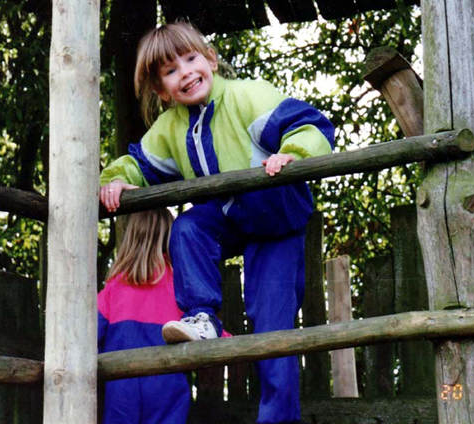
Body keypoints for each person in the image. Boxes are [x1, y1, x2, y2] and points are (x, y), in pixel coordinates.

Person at [99, 22, 334, 424]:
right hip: (228, 215)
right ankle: (203, 316)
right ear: (161, 90)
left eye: (191, 59)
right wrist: (115, 179)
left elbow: (311, 125)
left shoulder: (248, 96)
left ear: (210, 60)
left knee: (272, 326)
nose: (185, 72)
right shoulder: (171, 127)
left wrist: (292, 153)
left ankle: (278, 420)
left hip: (276, 217)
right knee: (188, 228)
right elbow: (139, 164)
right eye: (170, 71)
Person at [97, 209, 190, 424]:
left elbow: (89, 336)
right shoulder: (179, 286)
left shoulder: (113, 289)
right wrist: (227, 338)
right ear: (170, 241)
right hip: (167, 381)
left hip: (121, 382)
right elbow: (200, 324)